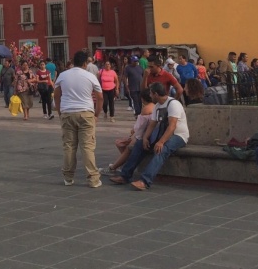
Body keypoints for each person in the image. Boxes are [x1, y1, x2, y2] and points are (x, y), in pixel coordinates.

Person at [110, 81, 189, 190]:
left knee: (162, 150)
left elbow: (172, 126)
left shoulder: (173, 104)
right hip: (163, 134)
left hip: (178, 136)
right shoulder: (157, 106)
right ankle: (125, 176)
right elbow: (152, 124)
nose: (150, 96)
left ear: (156, 94)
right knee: (139, 145)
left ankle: (145, 181)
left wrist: (161, 142)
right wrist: (146, 138)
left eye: (151, 94)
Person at [53, 50, 103, 187]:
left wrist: (60, 111)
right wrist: (97, 114)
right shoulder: (90, 76)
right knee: (87, 147)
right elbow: (100, 97)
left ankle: (68, 178)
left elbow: (56, 95)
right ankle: (93, 179)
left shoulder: (63, 75)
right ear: (85, 63)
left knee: (69, 146)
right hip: (86, 113)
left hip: (67, 113)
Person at [101, 89, 155, 175]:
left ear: (142, 98)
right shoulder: (155, 106)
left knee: (127, 146)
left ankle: (114, 167)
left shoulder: (146, 109)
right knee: (124, 144)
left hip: (142, 135)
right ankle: (122, 164)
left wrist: (132, 135)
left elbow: (138, 127)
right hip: (148, 134)